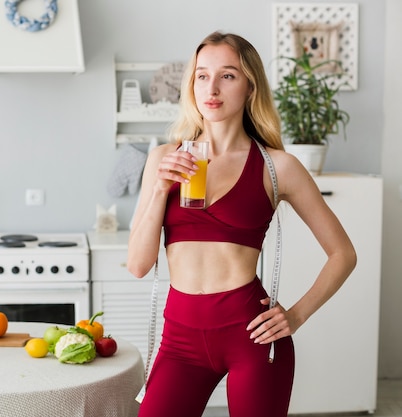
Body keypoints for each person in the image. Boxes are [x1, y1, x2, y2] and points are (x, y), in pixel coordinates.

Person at [128, 31, 357, 417]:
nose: (212, 88)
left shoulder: (277, 167)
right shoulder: (165, 158)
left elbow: (343, 254)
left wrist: (296, 316)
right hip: (179, 340)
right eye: (202, 75)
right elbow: (137, 265)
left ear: (250, 86)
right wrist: (158, 190)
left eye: (228, 75)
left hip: (251, 335)